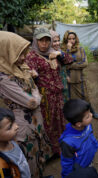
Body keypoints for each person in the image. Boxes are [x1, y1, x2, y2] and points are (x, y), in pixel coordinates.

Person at [0, 31, 52, 177]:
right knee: (28, 161)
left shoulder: (20, 67)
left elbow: (34, 92)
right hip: (24, 127)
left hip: (36, 122)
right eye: (19, 54)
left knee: (38, 156)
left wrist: (35, 95)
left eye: (24, 53)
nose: (23, 58)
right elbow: (31, 102)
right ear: (5, 52)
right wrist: (37, 96)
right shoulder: (3, 78)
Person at [25, 27, 66, 155]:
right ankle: (49, 151)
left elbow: (70, 60)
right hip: (45, 98)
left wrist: (60, 54)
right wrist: (32, 75)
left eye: (47, 41)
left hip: (58, 95)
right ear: (35, 41)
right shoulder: (31, 56)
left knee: (59, 120)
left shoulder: (53, 52)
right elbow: (28, 74)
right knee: (48, 122)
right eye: (41, 41)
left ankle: (61, 147)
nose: (44, 44)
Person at [61, 30, 98, 119]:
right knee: (72, 99)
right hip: (69, 80)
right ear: (65, 40)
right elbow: (64, 63)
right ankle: (76, 116)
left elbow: (85, 63)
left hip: (79, 78)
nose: (72, 40)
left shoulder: (80, 49)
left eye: (73, 38)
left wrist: (71, 65)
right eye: (69, 39)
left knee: (85, 97)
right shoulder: (63, 50)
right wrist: (68, 50)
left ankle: (92, 112)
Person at [59, 99, 98, 178]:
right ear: (78, 124)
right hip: (80, 169)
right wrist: (68, 176)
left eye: (90, 112)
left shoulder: (87, 125)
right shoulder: (68, 142)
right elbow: (67, 162)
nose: (91, 115)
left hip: (89, 161)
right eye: (87, 116)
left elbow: (90, 136)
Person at [0, 107, 30, 178]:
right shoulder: (2, 164)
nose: (16, 126)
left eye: (14, 122)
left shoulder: (13, 142)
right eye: (10, 127)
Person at [50, 30, 73, 103]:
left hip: (63, 82)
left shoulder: (59, 51)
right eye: (54, 41)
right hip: (55, 87)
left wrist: (66, 75)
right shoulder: (47, 54)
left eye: (58, 40)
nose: (57, 43)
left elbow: (69, 60)